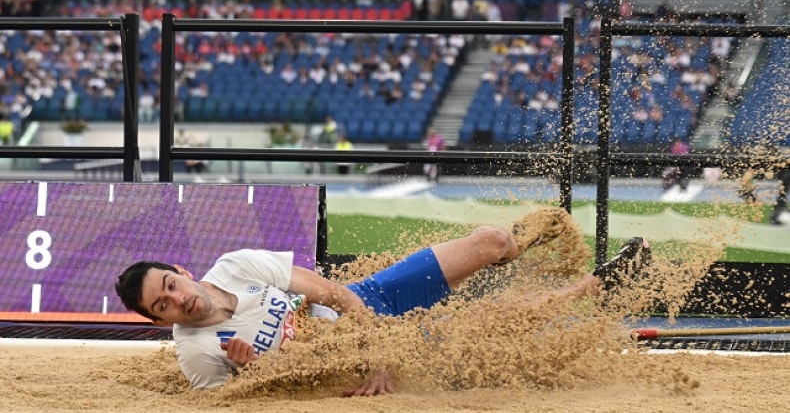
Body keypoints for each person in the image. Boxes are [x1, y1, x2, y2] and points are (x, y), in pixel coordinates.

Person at [114, 208, 652, 395]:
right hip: (345, 354)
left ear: (181, 271)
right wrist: (251, 378)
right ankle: (598, 286)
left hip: (366, 305)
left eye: (170, 284)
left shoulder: (236, 265)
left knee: (494, 243)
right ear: (159, 321)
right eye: (162, 306)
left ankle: (531, 236)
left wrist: (379, 355)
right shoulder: (199, 353)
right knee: (494, 322)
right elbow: (240, 401)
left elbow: (333, 293)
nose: (178, 300)